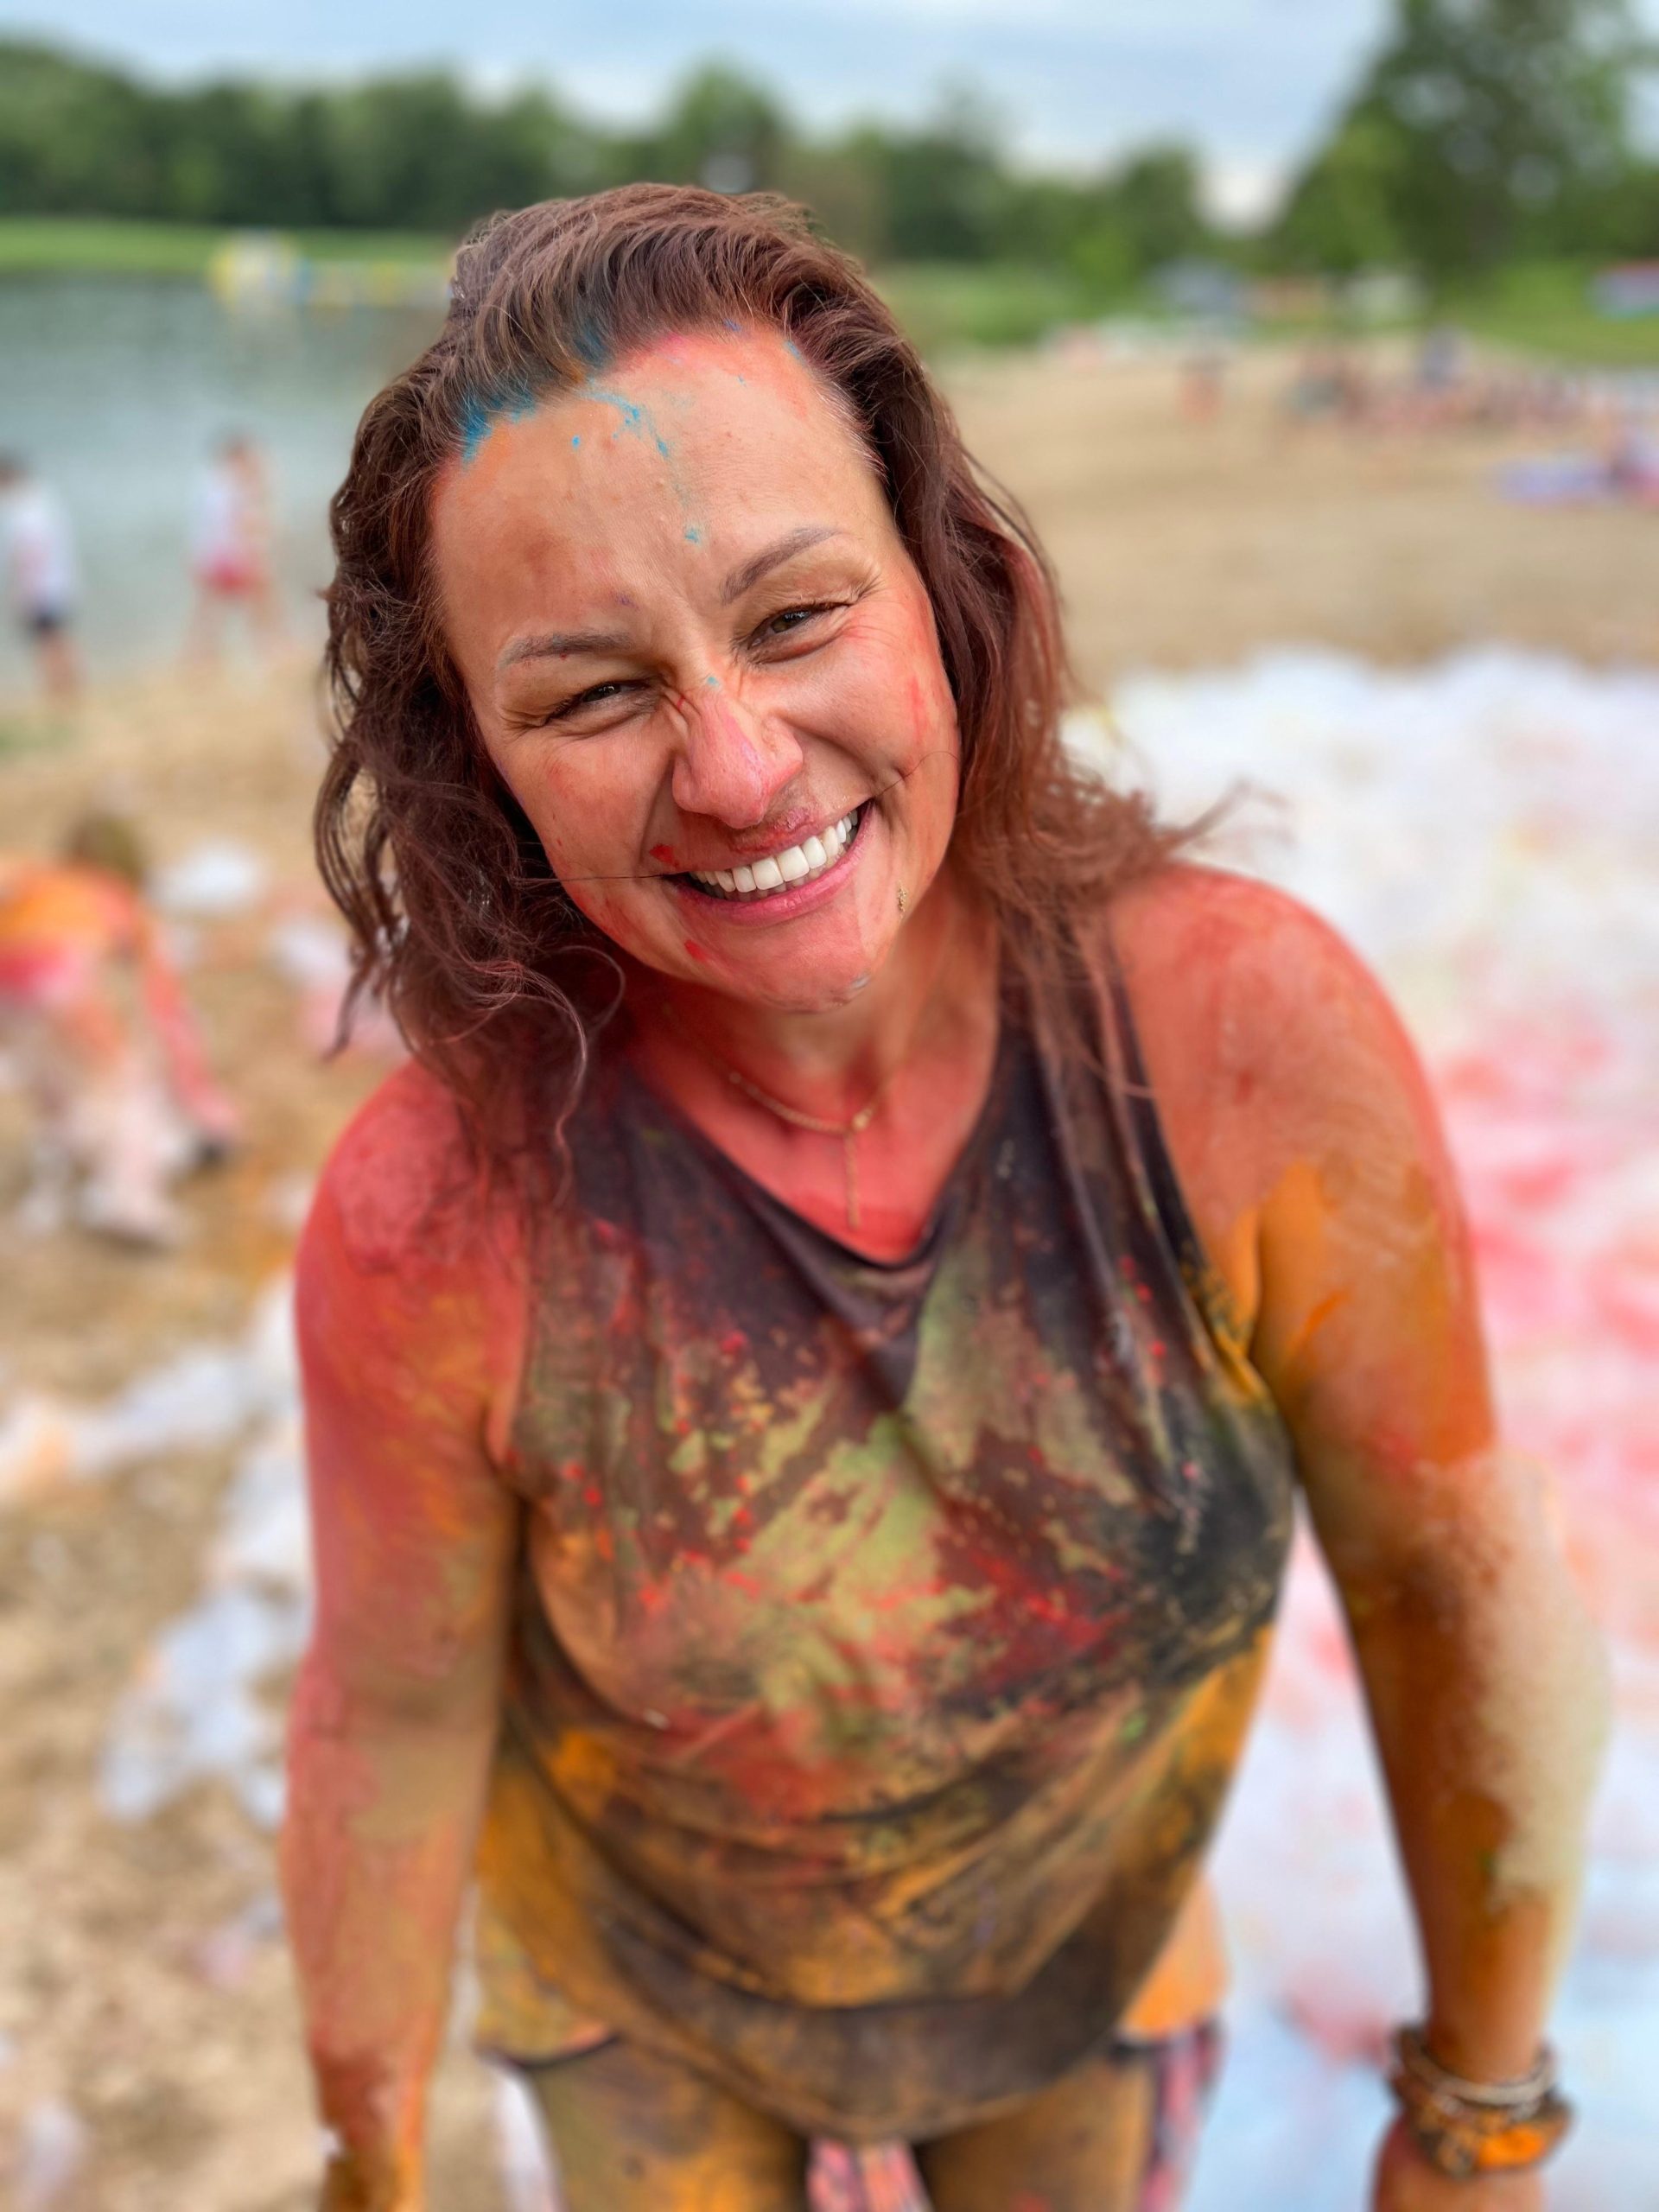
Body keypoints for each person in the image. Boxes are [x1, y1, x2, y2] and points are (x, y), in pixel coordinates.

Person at [283, 187, 1606, 2212]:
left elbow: (1447, 1570)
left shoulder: (1243, 1046)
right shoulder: (432, 1213)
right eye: (594, 694)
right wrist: (363, 2166)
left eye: (797, 616)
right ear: (476, 763)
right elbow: (387, 1707)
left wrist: (1480, 2113)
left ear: (944, 580)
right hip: (637, 2004)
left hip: (1089, 1972)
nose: (739, 770)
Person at [0, 812, 238, 1243]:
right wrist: (205, 1103)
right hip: (64, 986)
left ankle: (72, 1158)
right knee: (126, 1086)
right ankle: (131, 1205)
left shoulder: (43, 882)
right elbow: (164, 1007)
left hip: (10, 991)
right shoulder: (120, 901)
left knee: (55, 1081)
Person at [185, 433, 282, 662]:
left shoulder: (212, 483)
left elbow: (204, 527)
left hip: (212, 558)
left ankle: (199, 655)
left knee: (211, 611)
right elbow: (244, 524)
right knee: (260, 601)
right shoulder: (232, 485)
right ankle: (271, 649)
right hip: (232, 557)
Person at [0, 454, 81, 703]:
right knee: (59, 637)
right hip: (60, 580)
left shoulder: (24, 506)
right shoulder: (44, 498)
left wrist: (25, 589)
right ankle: (71, 688)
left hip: (41, 586)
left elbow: (32, 550)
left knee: (47, 641)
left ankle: (57, 692)